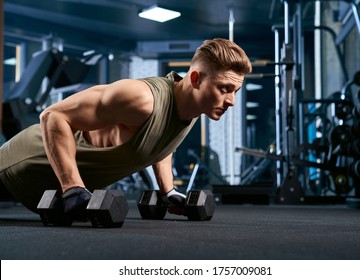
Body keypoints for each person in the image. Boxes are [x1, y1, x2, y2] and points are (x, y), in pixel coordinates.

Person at [0, 38, 252, 220]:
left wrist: (168, 191)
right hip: (20, 165)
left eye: (236, 91)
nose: (231, 101)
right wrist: (73, 187)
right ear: (196, 79)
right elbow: (52, 115)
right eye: (224, 89)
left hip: (39, 188)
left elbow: (162, 140)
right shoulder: (140, 98)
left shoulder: (193, 107)